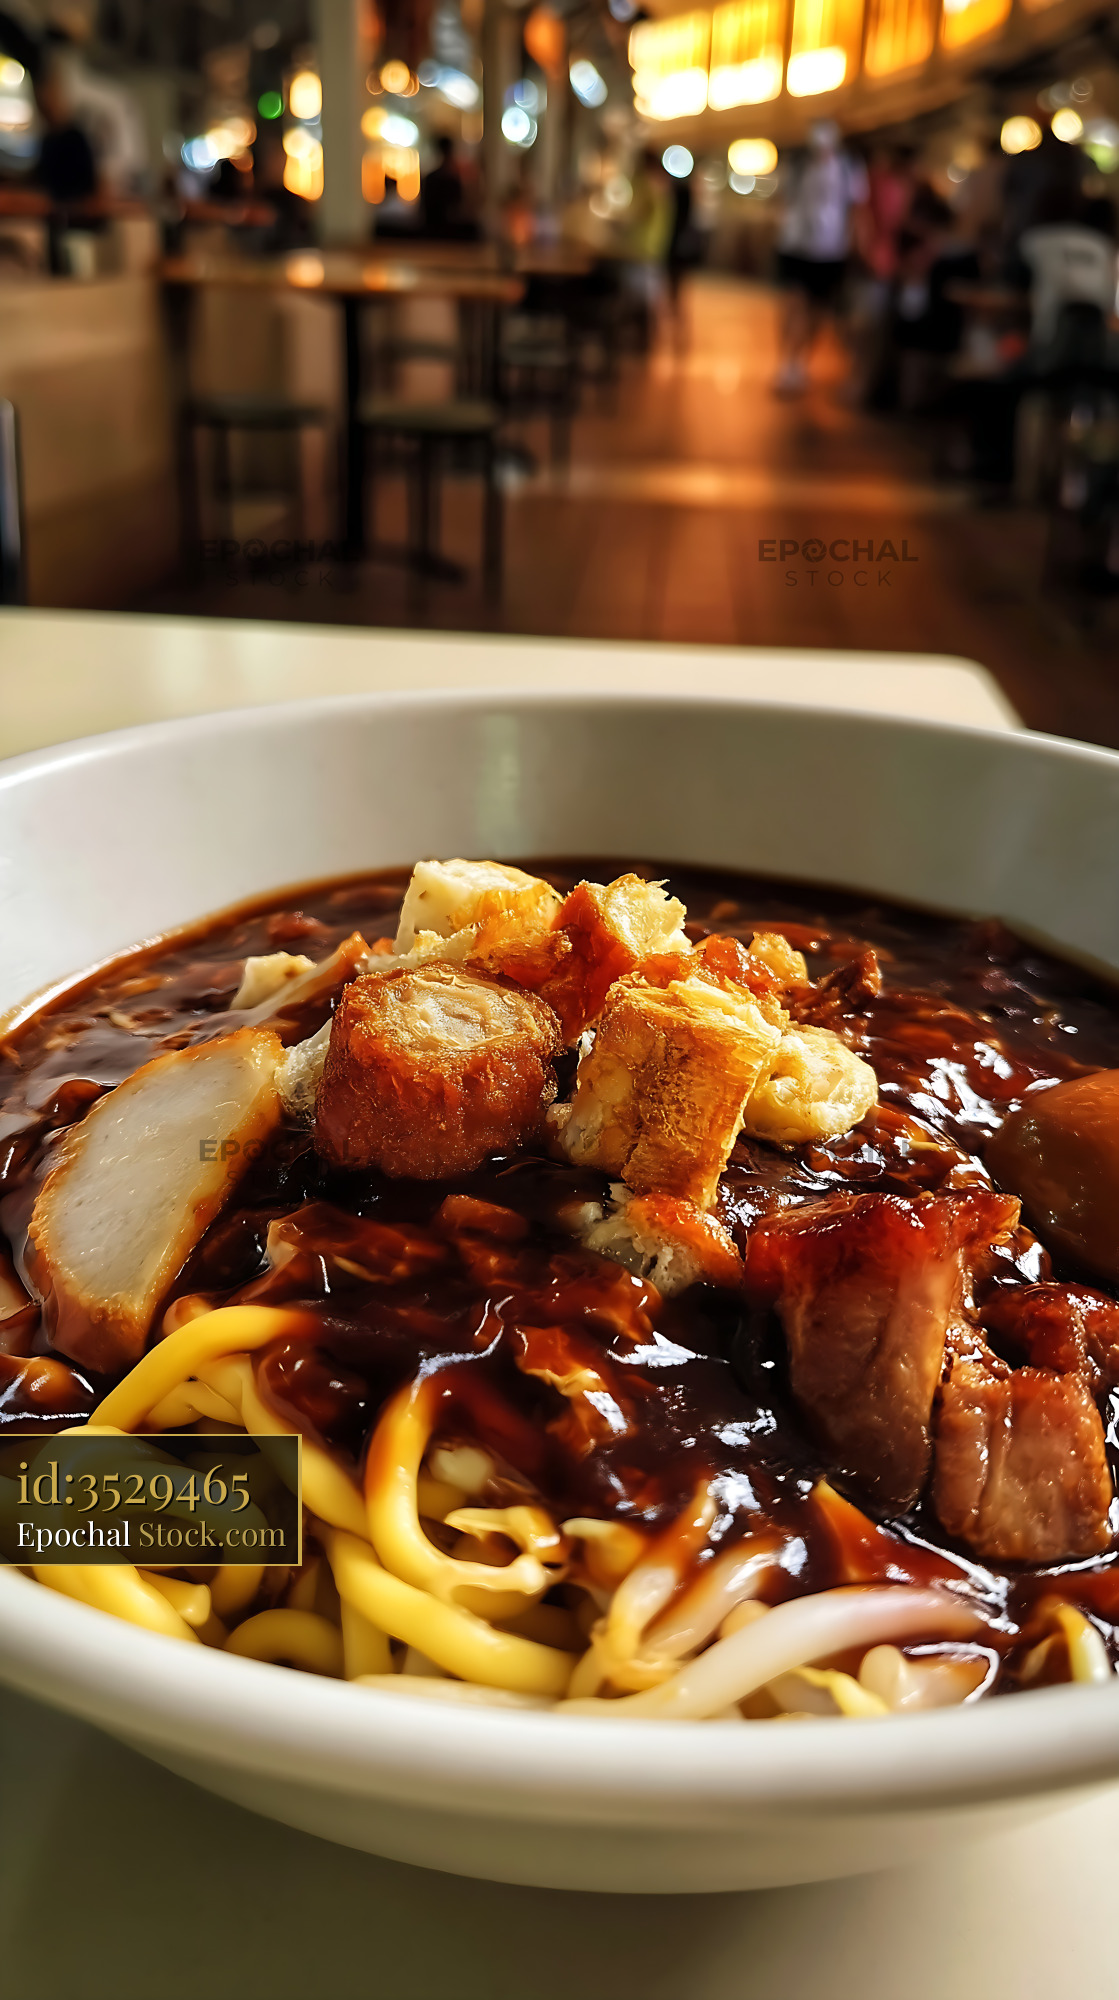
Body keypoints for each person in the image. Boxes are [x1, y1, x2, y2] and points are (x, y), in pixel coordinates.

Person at [773, 119, 868, 394]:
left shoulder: (848, 168)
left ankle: (800, 362)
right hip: (795, 245)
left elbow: (857, 208)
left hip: (830, 249)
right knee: (793, 304)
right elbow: (784, 200)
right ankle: (788, 363)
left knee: (817, 310)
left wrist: (857, 244)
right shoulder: (798, 165)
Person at [421, 134, 476, 240]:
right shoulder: (452, 180)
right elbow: (458, 208)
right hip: (449, 235)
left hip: (432, 235)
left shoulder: (431, 178)